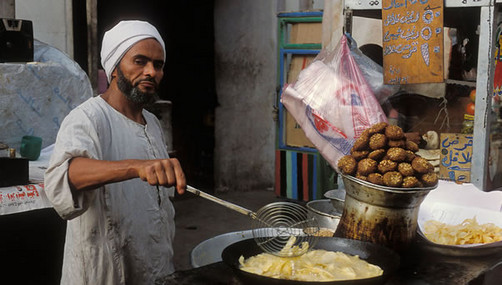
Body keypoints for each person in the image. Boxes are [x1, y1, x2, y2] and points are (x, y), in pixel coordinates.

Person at [44, 20, 186, 284]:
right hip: (106, 272)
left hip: (154, 266)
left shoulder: (152, 123)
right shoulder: (88, 118)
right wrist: (136, 167)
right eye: (140, 61)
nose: (151, 72)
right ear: (114, 68)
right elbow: (65, 175)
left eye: (158, 65)